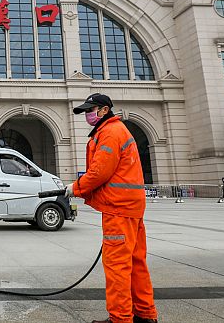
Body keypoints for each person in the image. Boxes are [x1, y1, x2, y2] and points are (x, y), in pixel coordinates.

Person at [66, 93, 158, 323]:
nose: (87, 115)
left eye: (91, 110)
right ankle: (145, 314)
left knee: (117, 265)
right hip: (131, 207)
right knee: (136, 263)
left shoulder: (109, 133)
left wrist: (75, 188)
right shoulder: (116, 130)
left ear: (105, 110)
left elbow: (100, 172)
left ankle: (120, 318)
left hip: (118, 208)